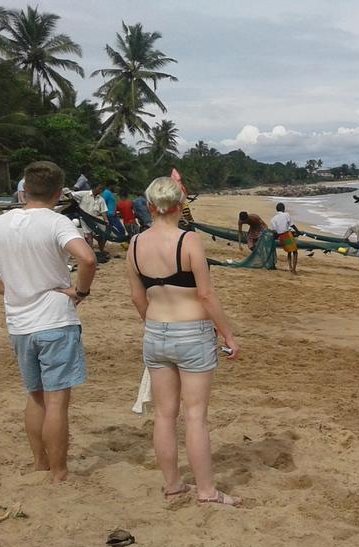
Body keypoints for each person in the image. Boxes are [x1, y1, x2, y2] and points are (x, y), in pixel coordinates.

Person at [0, 161, 96, 483]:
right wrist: (81, 292)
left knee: (35, 397)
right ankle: (59, 472)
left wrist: (5, 289)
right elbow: (87, 258)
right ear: (59, 193)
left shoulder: (0, 224)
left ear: (24, 190)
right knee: (57, 401)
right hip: (55, 320)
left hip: (19, 323)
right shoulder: (56, 222)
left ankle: (39, 464)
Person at [125, 176, 241, 506]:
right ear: (180, 206)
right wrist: (228, 334)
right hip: (191, 332)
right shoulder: (188, 241)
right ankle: (206, 491)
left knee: (164, 415)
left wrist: (155, 324)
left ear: (148, 207)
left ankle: (174, 485)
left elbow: (137, 297)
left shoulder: (134, 245)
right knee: (194, 416)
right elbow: (205, 294)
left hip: (155, 331)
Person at [69, 184, 109, 253]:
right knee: (89, 237)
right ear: (94, 187)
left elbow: (103, 211)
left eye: (102, 189)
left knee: (102, 236)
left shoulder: (101, 199)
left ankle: (101, 250)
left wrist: (106, 220)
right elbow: (71, 195)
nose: (101, 190)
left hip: (95, 220)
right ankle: (90, 251)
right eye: (99, 188)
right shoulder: (84, 194)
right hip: (84, 219)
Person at [270, 202, 300, 275]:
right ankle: (293, 269)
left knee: (289, 251)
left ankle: (290, 267)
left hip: (281, 237)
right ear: (283, 208)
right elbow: (292, 225)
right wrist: (297, 231)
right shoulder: (286, 214)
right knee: (295, 252)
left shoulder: (273, 218)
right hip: (287, 235)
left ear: (277, 209)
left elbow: (274, 230)